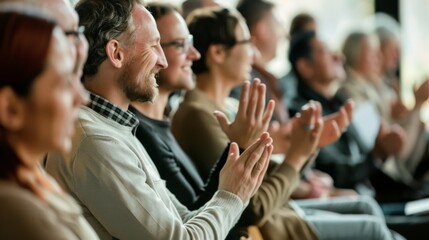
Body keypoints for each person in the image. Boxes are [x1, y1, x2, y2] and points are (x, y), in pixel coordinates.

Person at [45, 0, 273, 239]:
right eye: (154, 46)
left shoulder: (115, 128)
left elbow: (185, 218)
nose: (162, 61)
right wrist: (231, 196)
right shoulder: (96, 141)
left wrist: (232, 190)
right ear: (116, 53)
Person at [173, 7, 399, 240]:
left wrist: (305, 143)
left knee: (366, 207)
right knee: (371, 227)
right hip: (273, 226)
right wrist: (297, 156)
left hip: (282, 214)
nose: (254, 54)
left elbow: (269, 176)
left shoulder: (229, 106)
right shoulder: (198, 114)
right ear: (218, 53)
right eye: (247, 43)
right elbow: (253, 206)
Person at [0, 9, 97, 239]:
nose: (82, 98)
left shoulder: (34, 178)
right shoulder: (15, 209)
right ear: (10, 109)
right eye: (65, 84)